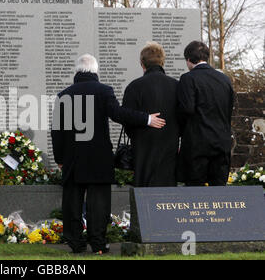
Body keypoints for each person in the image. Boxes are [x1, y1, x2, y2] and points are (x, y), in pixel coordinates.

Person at [51, 54, 166, 254]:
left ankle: (75, 242)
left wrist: (60, 158)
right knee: (99, 205)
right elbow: (119, 114)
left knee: (72, 203)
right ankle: (98, 244)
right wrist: (146, 118)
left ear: (77, 71)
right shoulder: (104, 91)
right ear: (95, 71)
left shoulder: (63, 95)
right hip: (98, 158)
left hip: (73, 158)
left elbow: (57, 131)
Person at [123, 42, 180, 187]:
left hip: (142, 148)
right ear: (162, 62)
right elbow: (184, 116)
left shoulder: (134, 86)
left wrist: (138, 135)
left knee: (144, 196)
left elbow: (126, 119)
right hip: (169, 147)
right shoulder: (177, 86)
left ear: (142, 64)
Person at [177, 41, 234, 186]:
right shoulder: (224, 80)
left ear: (189, 59)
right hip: (222, 143)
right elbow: (229, 110)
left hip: (197, 145)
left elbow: (187, 109)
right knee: (218, 193)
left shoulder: (188, 78)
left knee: (195, 193)